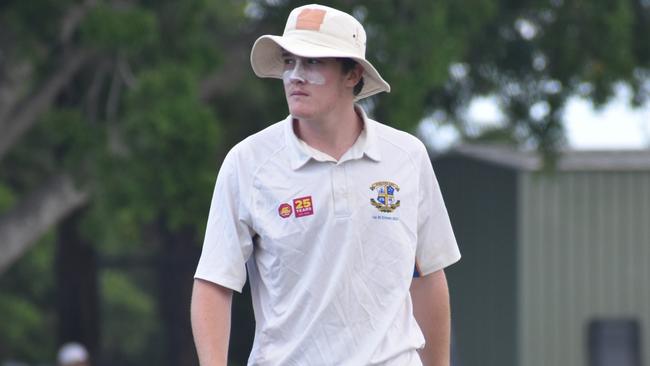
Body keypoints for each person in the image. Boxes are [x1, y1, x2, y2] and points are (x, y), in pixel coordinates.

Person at [191, 4, 461, 366]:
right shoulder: (248, 163)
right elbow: (213, 283)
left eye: (313, 62)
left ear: (353, 74)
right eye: (289, 62)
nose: (295, 76)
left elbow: (427, 274)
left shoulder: (407, 157)